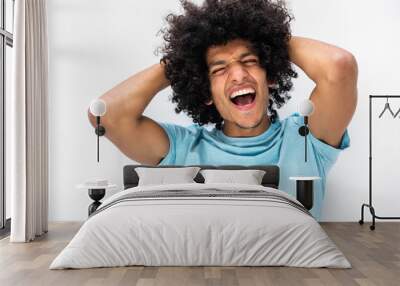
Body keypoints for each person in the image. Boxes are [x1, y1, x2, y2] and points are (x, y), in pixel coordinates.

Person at [88, 0, 358, 219]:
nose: (239, 75)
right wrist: (182, 60)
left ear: (271, 76)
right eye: (220, 69)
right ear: (206, 92)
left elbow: (339, 66)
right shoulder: (182, 147)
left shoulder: (305, 138)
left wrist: (269, 39)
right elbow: (105, 115)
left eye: (250, 61)